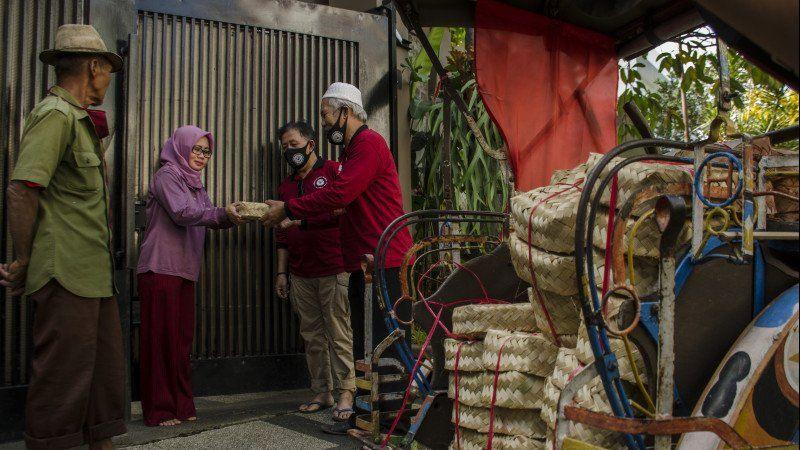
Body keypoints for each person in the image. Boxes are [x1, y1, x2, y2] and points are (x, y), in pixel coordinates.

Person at [0, 24, 125, 450]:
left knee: (102, 374)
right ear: (94, 67)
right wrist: (23, 259)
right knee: (63, 377)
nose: (108, 79)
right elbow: (22, 188)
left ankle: (100, 443)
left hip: (93, 271)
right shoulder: (55, 116)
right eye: (108, 70)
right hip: (65, 271)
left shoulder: (83, 121)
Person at [261, 82, 413, 365]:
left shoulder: (369, 144)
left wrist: (289, 209)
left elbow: (340, 194)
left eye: (325, 114)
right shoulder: (348, 152)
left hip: (384, 257)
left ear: (344, 112)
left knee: (384, 339)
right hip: (362, 260)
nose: (323, 122)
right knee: (364, 340)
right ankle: (370, 403)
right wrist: (301, 223)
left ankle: (392, 405)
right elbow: (341, 209)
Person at [136, 125, 244, 427]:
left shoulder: (195, 184)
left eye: (206, 152)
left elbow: (209, 217)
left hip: (184, 271)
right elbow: (183, 213)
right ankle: (159, 410)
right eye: (196, 149)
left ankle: (181, 405)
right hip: (160, 268)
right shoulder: (168, 175)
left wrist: (237, 215)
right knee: (160, 342)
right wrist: (222, 213)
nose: (202, 156)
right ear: (181, 147)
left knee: (180, 342)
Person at [274, 121, 356, 422]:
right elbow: (281, 235)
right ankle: (322, 391)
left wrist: (300, 221)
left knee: (338, 330)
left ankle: (347, 390)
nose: (289, 151)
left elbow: (342, 213)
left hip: (333, 267)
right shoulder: (286, 185)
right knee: (311, 335)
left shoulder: (333, 172)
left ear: (310, 144)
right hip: (300, 272)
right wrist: (282, 273)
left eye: (293, 144)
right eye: (284, 147)